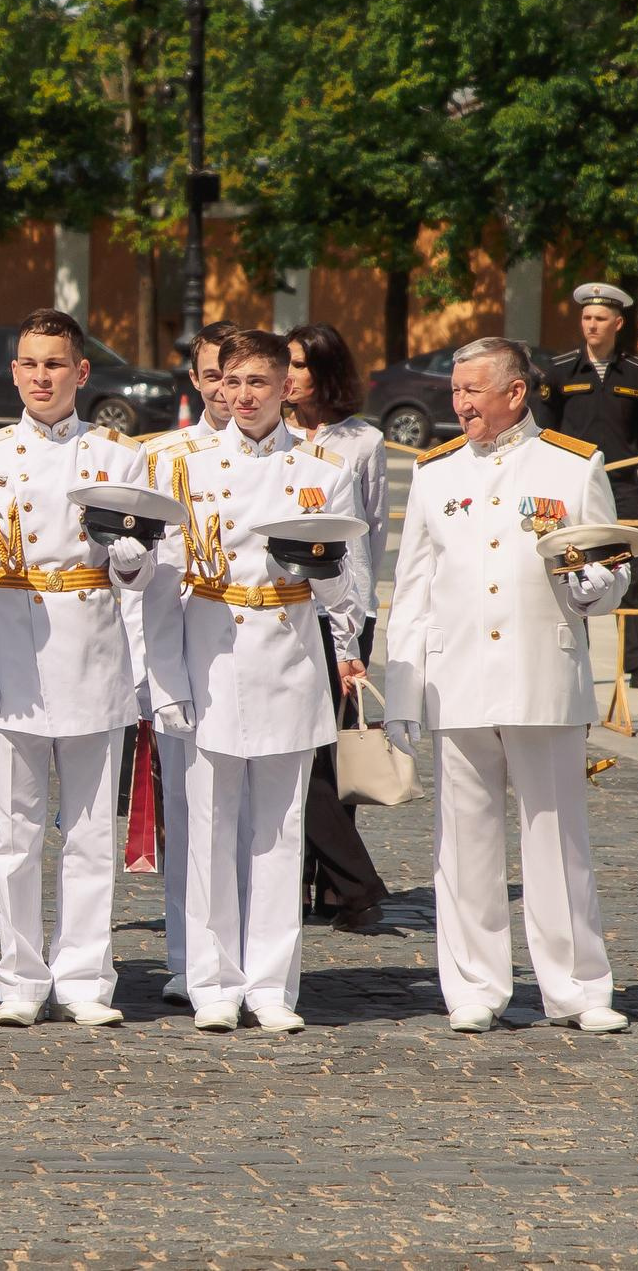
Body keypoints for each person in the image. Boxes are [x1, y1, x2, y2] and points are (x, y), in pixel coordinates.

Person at [0, 309, 187, 1027]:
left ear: (81, 372)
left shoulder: (118, 455)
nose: (41, 377)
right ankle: (20, 979)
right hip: (13, 644)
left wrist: (132, 564)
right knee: (13, 833)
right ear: (13, 372)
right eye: (29, 364)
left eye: (54, 364)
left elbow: (143, 572)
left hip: (92, 649)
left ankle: (85, 977)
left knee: (88, 832)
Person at [385, 336, 630, 1035]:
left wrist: (595, 585)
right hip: (457, 673)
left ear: (515, 392)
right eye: (455, 392)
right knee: (463, 841)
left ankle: (577, 988)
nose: (459, 404)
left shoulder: (573, 465)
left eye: (472, 391)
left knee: (557, 836)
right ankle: (473, 985)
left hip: (541, 671)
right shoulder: (436, 473)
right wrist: (402, 690)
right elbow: (413, 587)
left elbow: (612, 571)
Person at [159, 328, 364, 1035]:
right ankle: (213, 982)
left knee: (279, 831)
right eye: (232, 381)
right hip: (210, 650)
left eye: (258, 383)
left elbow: (345, 588)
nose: (242, 396)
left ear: (286, 387)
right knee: (210, 828)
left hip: (286, 652)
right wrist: (162, 678)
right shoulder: (181, 465)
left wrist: (325, 579)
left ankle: (272, 986)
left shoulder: (321, 468)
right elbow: (159, 587)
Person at [133, 318, 238, 1006]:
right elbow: (141, 576)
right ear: (196, 380)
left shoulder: (294, 458)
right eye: (213, 376)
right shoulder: (161, 457)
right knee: (184, 809)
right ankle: (187, 954)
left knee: (254, 819)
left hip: (255, 650)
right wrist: (147, 670)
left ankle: (248, 956)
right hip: (180, 651)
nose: (226, 390)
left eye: (238, 376)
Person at [284, 323, 391, 931]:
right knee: (298, 746)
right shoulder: (269, 434)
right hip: (286, 606)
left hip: (345, 610)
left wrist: (358, 612)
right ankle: (340, 882)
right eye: (286, 364)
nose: (290, 376)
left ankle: (337, 887)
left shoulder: (363, 442)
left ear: (326, 370)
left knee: (337, 749)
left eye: (300, 365)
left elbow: (369, 532)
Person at [539, 283, 638, 691]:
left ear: (617, 323)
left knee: (630, 569)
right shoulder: (560, 370)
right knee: (572, 566)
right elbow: (545, 428)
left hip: (620, 484)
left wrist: (627, 455)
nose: (591, 325)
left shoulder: (637, 372)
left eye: (599, 318)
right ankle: (576, 659)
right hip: (571, 486)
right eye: (586, 318)